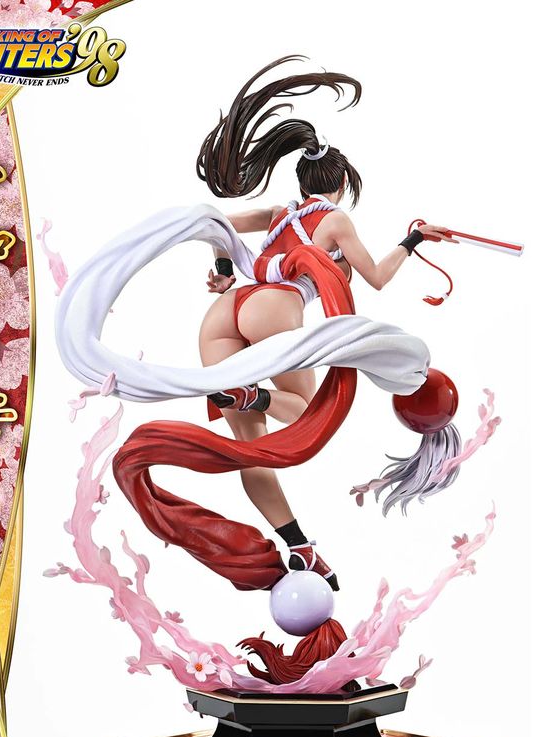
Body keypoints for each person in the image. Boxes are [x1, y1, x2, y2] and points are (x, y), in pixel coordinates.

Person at [195, 56, 456, 591]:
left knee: (251, 448)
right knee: (305, 411)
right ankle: (252, 395)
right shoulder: (335, 219)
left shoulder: (277, 214)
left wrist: (223, 266)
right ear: (339, 185)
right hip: (276, 306)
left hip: (226, 312)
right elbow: (377, 277)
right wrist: (413, 240)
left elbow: (212, 222)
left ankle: (298, 545)